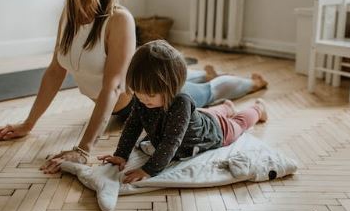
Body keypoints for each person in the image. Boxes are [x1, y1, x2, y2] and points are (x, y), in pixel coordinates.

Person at [0, 0, 267, 174]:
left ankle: (251, 84)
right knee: (196, 85)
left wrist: (84, 149)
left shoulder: (119, 19)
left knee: (206, 93)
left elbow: (112, 87)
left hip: (151, 101)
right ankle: (202, 77)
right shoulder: (69, 15)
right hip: (135, 98)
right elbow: (54, 72)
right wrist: (28, 124)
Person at [98, 40, 268, 183]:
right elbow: (133, 125)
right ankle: (227, 107)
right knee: (208, 114)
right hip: (200, 117)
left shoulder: (181, 102)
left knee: (238, 123)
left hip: (215, 131)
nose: (143, 99)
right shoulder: (143, 98)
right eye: (138, 93)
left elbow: (171, 142)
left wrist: (148, 170)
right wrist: (121, 154)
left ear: (171, 87)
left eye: (149, 94)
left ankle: (258, 109)